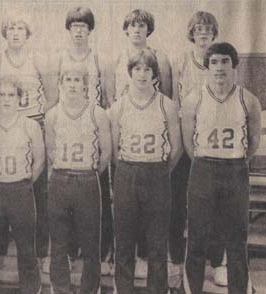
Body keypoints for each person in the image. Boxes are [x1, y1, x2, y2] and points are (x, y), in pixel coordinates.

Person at [182, 42, 261, 294]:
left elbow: (254, 143)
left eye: (225, 61)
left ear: (234, 66)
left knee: (237, 241)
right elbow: (187, 143)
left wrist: (234, 160)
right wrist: (207, 162)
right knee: (196, 239)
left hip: (235, 170)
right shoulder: (194, 98)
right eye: (214, 62)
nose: (219, 68)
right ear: (207, 67)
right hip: (203, 168)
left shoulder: (248, 100)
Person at [104, 9, 173, 279]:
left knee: (154, 222)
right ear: (125, 29)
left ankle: (147, 259)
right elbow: (109, 98)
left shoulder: (160, 59)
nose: (136, 30)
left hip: (152, 144)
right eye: (132, 25)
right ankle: (118, 260)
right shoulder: (115, 59)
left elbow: (165, 97)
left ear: (148, 30)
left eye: (141, 25)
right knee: (123, 215)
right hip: (126, 139)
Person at [0, 13, 53, 273]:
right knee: (0, 187)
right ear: (5, 32)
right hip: (2, 125)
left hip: (32, 123)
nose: (15, 32)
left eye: (20, 28)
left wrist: (29, 125)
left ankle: (40, 253)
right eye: (11, 27)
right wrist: (3, 123)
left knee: (36, 189)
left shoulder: (39, 60)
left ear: (27, 33)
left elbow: (53, 96)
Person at [108, 48, 181, 294]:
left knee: (157, 242)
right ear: (129, 73)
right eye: (137, 69)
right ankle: (123, 289)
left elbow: (177, 147)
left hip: (157, 173)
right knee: (125, 240)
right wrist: (131, 169)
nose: (141, 74)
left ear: (154, 74)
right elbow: (114, 148)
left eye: (147, 69)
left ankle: (158, 290)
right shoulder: (118, 107)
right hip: (127, 172)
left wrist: (159, 171)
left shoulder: (167, 105)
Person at [50, 6, 115, 275]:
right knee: (66, 200)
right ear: (69, 30)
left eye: (84, 27)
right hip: (67, 125)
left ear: (90, 30)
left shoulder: (99, 59)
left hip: (91, 126)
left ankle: (101, 253)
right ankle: (69, 250)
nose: (79, 31)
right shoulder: (59, 58)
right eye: (74, 26)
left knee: (97, 197)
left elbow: (108, 98)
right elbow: (55, 98)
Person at [0, 75, 44, 294]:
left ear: (20, 99)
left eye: (11, 95)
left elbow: (39, 159)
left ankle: (31, 290)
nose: (5, 99)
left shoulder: (30, 126)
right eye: (0, 94)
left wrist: (26, 180)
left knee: (26, 248)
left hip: (20, 190)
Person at [170, 11, 226, 290]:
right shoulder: (180, 60)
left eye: (208, 29)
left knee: (213, 203)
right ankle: (177, 262)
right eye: (198, 29)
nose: (203, 33)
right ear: (191, 32)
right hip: (183, 135)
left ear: (214, 33)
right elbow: (170, 101)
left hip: (210, 138)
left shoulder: (220, 60)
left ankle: (217, 262)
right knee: (178, 201)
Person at [45, 64, 111, 293]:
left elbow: (106, 154)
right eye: (68, 79)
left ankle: (90, 289)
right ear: (61, 85)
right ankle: (60, 288)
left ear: (85, 85)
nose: (72, 84)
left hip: (87, 179)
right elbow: (50, 151)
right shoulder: (52, 114)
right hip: (60, 178)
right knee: (59, 242)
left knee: (91, 242)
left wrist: (89, 173)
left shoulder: (98, 113)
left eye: (77, 79)